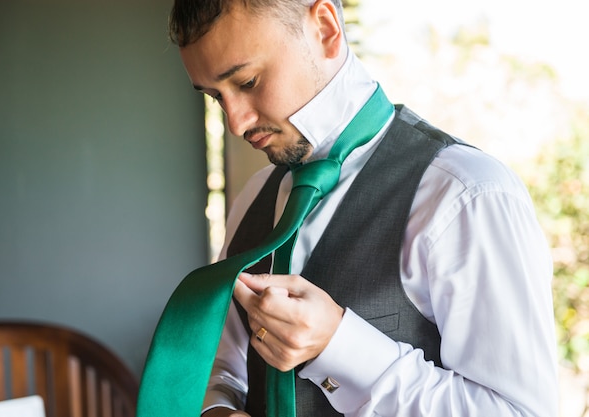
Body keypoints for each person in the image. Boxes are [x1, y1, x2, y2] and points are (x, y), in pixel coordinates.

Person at [170, 0, 558, 416]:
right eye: (215, 97)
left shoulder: (467, 195)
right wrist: (217, 409)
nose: (235, 122)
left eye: (246, 82)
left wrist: (337, 346)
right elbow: (222, 366)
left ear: (324, 28)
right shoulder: (252, 198)